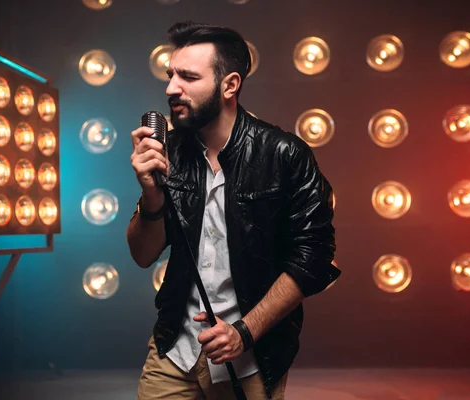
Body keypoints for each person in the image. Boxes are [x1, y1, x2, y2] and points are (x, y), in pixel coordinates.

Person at [127, 20, 340, 400]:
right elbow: (143, 255)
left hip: (251, 355)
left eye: (188, 77)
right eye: (170, 74)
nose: (171, 88)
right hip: (176, 350)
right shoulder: (169, 151)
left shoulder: (284, 154)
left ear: (230, 85)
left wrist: (244, 331)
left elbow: (313, 259)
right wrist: (150, 194)